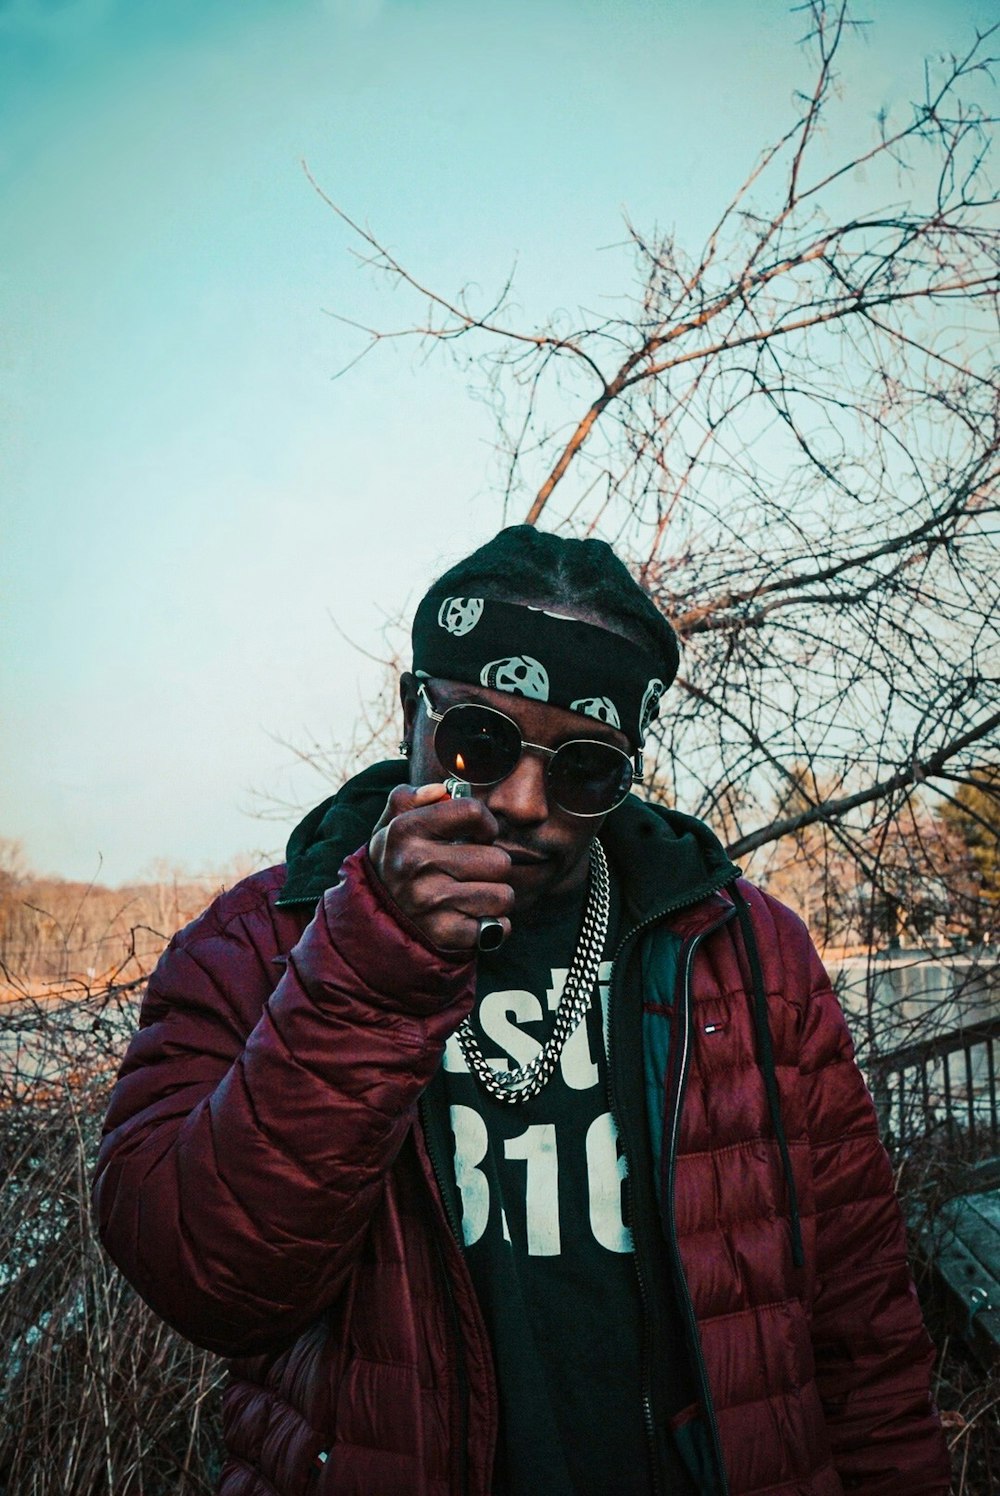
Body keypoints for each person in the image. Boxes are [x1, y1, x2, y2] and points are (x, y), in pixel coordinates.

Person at [94, 526, 951, 1496]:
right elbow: (203, 1281)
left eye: (583, 767)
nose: (523, 800)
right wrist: (373, 961)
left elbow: (862, 1326)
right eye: (478, 740)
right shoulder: (259, 940)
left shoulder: (749, 953)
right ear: (410, 712)